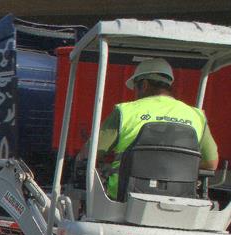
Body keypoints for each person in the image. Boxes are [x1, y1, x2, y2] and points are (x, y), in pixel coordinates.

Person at [91, 58, 219, 199]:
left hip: (122, 200)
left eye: (136, 87)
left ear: (144, 85)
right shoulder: (196, 116)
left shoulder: (125, 112)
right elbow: (211, 163)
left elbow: (91, 153)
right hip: (180, 200)